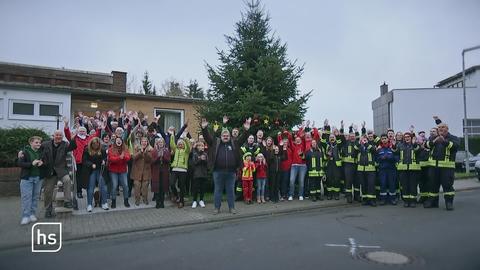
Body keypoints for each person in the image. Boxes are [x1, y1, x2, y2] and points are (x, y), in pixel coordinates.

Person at [201, 117, 250, 214]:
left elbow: (243, 138)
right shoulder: (215, 142)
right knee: (218, 190)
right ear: (221, 136)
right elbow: (207, 137)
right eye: (224, 135)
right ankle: (216, 208)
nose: (225, 136)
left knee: (230, 191)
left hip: (231, 172)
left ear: (229, 136)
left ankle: (232, 208)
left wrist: (246, 130)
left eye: (227, 135)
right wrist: (204, 128)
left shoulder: (234, 143)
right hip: (218, 171)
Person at [41, 130, 77, 218]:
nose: (58, 137)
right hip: (50, 171)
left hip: (61, 169)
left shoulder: (64, 144)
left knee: (67, 180)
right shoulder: (45, 144)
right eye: (57, 135)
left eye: (60, 135)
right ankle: (48, 209)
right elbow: (36, 148)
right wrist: (22, 152)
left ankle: (67, 201)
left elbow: (73, 147)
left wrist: (72, 139)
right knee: (48, 191)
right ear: (53, 136)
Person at [424, 122, 459, 210]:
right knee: (432, 185)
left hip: (447, 168)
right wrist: (434, 141)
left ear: (447, 129)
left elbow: (455, 146)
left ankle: (449, 203)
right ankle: (433, 202)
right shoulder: (433, 137)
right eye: (439, 127)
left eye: (443, 127)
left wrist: (444, 141)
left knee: (447, 185)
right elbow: (426, 145)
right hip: (433, 167)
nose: (440, 129)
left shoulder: (453, 138)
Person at [17, 136, 45, 224]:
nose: (39, 144)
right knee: (26, 198)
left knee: (35, 197)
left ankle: (32, 214)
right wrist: (31, 164)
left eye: (39, 143)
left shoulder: (41, 152)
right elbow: (19, 163)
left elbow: (44, 162)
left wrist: (42, 163)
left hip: (38, 178)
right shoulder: (25, 152)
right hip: (27, 179)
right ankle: (25, 216)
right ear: (31, 143)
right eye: (36, 142)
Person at [395, 132, 421, 207]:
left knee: (413, 185)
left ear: (411, 138)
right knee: (405, 185)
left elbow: (418, 151)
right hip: (403, 169)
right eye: (405, 137)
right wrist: (393, 145)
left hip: (413, 169)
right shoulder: (400, 145)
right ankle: (406, 201)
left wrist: (414, 143)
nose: (407, 138)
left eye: (408, 137)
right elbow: (395, 152)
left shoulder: (415, 145)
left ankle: (413, 201)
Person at [82, 137, 109, 212]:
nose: (95, 145)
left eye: (97, 144)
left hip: (100, 170)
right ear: (91, 144)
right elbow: (84, 160)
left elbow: (105, 158)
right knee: (90, 187)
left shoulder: (102, 150)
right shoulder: (87, 150)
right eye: (94, 144)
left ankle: (104, 203)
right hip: (91, 171)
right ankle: (89, 204)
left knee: (103, 187)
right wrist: (91, 164)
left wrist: (104, 161)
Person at [108, 137, 131, 208]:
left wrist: (123, 157)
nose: (119, 141)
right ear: (115, 141)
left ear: (122, 141)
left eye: (120, 140)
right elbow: (111, 159)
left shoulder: (125, 148)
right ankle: (113, 201)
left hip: (122, 170)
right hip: (113, 170)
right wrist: (119, 158)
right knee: (114, 186)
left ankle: (126, 200)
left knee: (125, 186)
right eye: (117, 140)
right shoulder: (111, 149)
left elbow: (128, 157)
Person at [170, 135, 191, 208]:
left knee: (182, 186)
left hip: (183, 170)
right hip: (175, 169)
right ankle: (176, 195)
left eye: (181, 144)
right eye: (179, 144)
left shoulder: (186, 151)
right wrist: (172, 135)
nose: (180, 145)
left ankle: (181, 201)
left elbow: (188, 147)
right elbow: (172, 144)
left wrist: (186, 140)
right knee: (172, 183)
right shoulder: (176, 150)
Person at [355, 135, 377, 206]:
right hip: (361, 169)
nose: (363, 140)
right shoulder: (359, 147)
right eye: (362, 139)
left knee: (371, 184)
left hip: (370, 169)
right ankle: (365, 199)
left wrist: (366, 144)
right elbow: (353, 152)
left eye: (365, 139)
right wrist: (359, 143)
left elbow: (374, 150)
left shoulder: (371, 145)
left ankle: (372, 200)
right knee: (363, 185)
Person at [376, 134, 397, 205]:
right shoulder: (379, 149)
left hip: (391, 169)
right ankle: (383, 199)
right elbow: (376, 159)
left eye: (385, 138)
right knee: (383, 184)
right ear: (381, 140)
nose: (384, 140)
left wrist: (389, 158)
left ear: (387, 139)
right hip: (382, 169)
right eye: (382, 139)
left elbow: (396, 158)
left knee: (392, 184)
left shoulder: (392, 147)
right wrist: (381, 158)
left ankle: (393, 199)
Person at [131, 137, 153, 206]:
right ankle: (137, 200)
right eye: (143, 141)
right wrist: (140, 152)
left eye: (145, 141)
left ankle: (145, 199)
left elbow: (150, 159)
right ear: (140, 142)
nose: (144, 142)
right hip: (137, 171)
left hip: (146, 172)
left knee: (145, 187)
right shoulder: (136, 148)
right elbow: (134, 157)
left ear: (147, 142)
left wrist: (145, 152)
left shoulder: (150, 150)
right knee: (137, 186)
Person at [151, 137, 171, 209]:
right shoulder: (154, 151)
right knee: (157, 188)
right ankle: (157, 203)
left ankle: (162, 202)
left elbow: (168, 161)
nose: (160, 144)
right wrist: (158, 157)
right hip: (156, 172)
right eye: (159, 142)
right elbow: (152, 161)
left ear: (163, 143)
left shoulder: (166, 150)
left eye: (161, 142)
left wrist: (163, 157)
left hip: (164, 171)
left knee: (162, 188)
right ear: (157, 143)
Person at [191, 141, 208, 208]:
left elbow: (207, 164)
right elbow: (194, 163)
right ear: (197, 147)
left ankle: (201, 200)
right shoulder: (195, 154)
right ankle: (194, 201)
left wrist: (204, 160)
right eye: (200, 146)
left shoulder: (205, 154)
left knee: (202, 188)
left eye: (202, 146)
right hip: (196, 173)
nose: (201, 147)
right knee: (195, 188)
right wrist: (200, 159)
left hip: (203, 173)